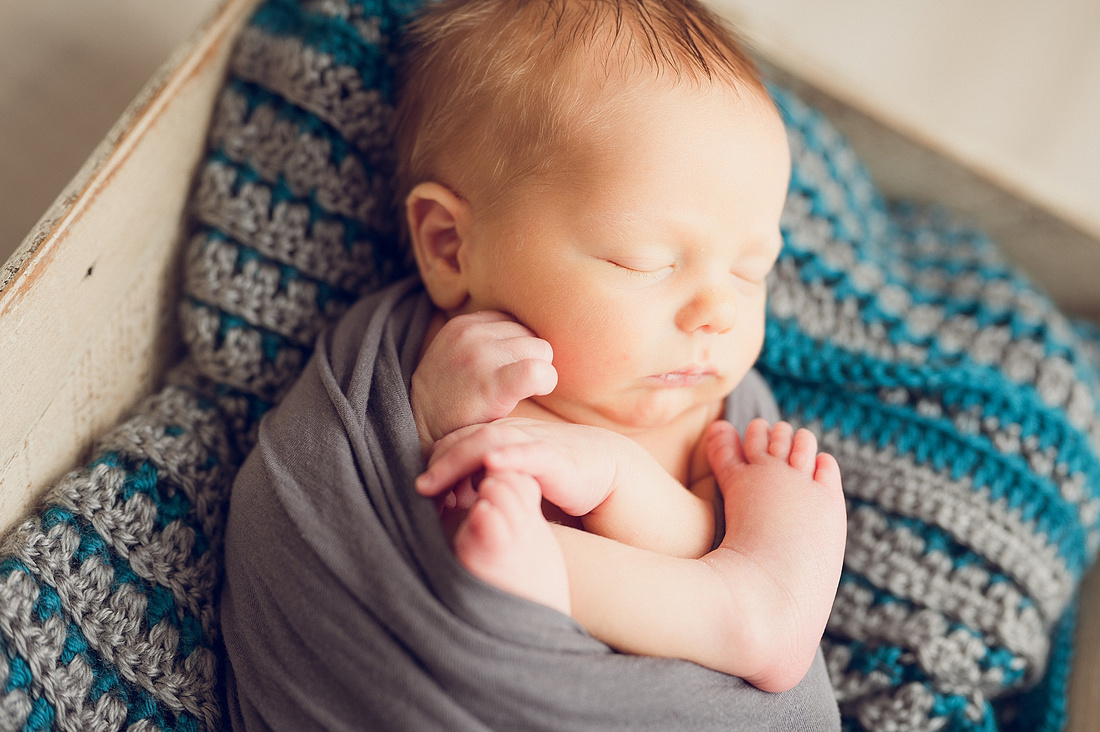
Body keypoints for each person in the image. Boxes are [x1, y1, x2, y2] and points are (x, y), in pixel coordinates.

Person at [394, 0, 847, 694]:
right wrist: (432, 415)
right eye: (645, 262)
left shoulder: (708, 416)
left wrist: (617, 478)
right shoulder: (442, 355)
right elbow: (393, 482)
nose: (719, 310)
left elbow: (709, 547)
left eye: (752, 270)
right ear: (450, 246)